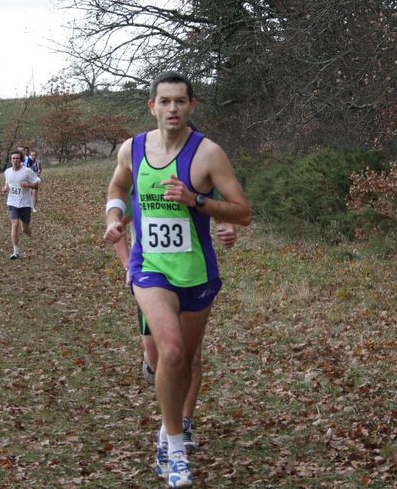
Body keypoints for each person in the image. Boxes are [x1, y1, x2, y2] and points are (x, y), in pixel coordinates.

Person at [104, 71, 251, 488]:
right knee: (168, 351)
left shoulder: (208, 154)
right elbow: (118, 185)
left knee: (186, 358)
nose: (172, 109)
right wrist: (115, 217)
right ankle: (174, 446)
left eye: (180, 101)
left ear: (191, 106)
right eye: (164, 101)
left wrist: (198, 201)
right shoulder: (132, 149)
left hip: (196, 272)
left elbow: (242, 211)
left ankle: (178, 424)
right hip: (150, 269)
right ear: (152, 106)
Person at [114, 213, 237, 452]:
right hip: (152, 279)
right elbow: (117, 220)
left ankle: (183, 424)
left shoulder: (192, 179)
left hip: (190, 277)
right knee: (158, 358)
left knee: (190, 356)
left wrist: (225, 224)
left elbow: (218, 207)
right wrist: (127, 264)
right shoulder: (141, 179)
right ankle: (152, 366)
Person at [1, 150, 40, 260]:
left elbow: (36, 185)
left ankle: (30, 234)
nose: (15, 160)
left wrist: (27, 184)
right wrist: (5, 188)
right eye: (13, 158)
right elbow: (7, 184)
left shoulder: (27, 171)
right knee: (15, 223)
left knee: (25, 229)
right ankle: (15, 251)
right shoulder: (7, 172)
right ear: (10, 160)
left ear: (21, 160)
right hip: (12, 202)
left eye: (17, 158)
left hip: (25, 203)